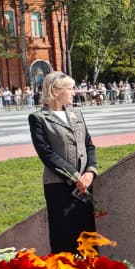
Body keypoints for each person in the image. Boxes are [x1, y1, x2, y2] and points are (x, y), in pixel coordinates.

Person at [28, 71, 98, 254]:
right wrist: (76, 177)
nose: (75, 92)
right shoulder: (39, 118)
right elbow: (47, 154)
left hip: (84, 185)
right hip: (59, 187)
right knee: (64, 236)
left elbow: (89, 145)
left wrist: (90, 172)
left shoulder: (76, 113)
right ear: (55, 91)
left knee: (87, 236)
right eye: (70, 88)